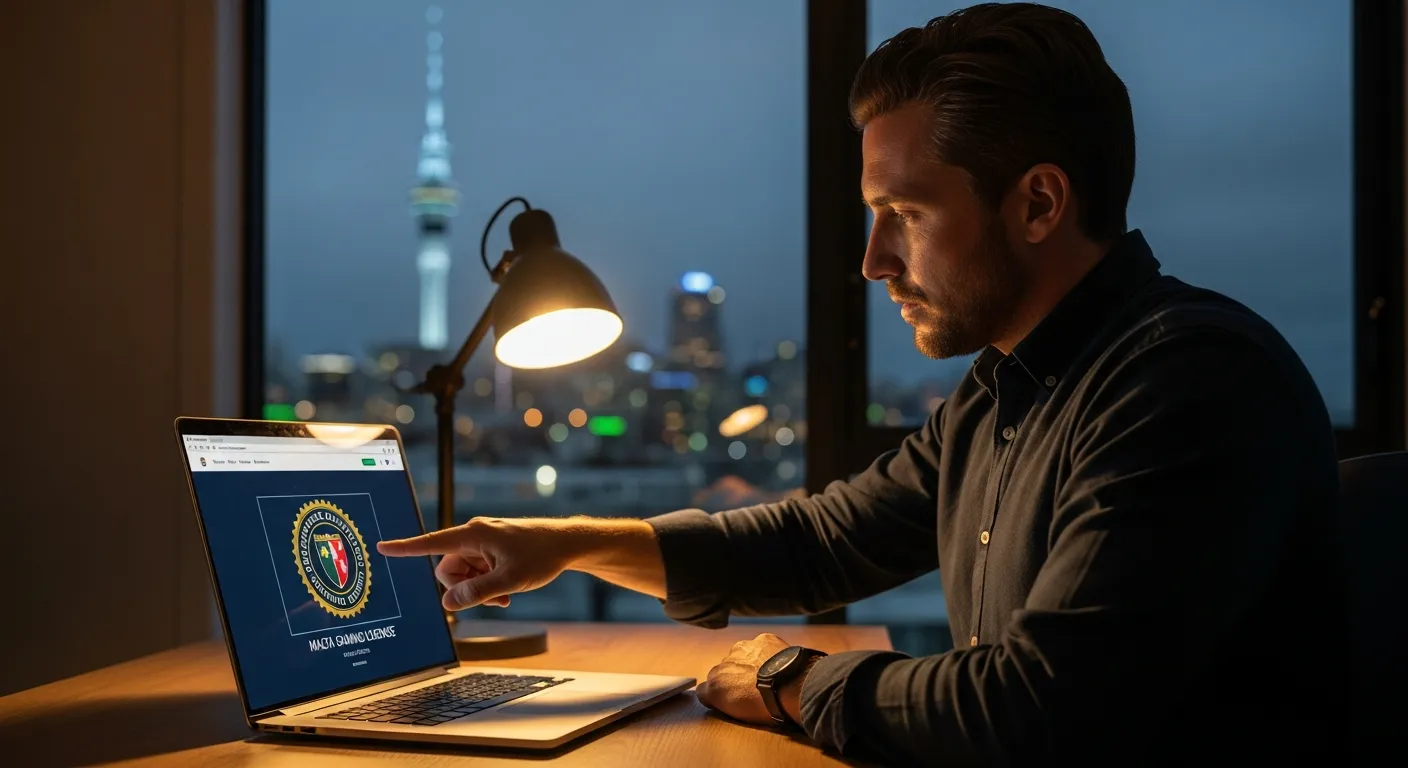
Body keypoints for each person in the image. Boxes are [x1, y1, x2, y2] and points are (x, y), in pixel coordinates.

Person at [380, 3, 1346, 763]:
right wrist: (560, 545)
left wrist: (794, 678)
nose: (874, 260)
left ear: (1039, 204)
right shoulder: (1007, 391)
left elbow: (1040, 711)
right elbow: (820, 542)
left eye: (904, 212)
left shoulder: (1186, 385)